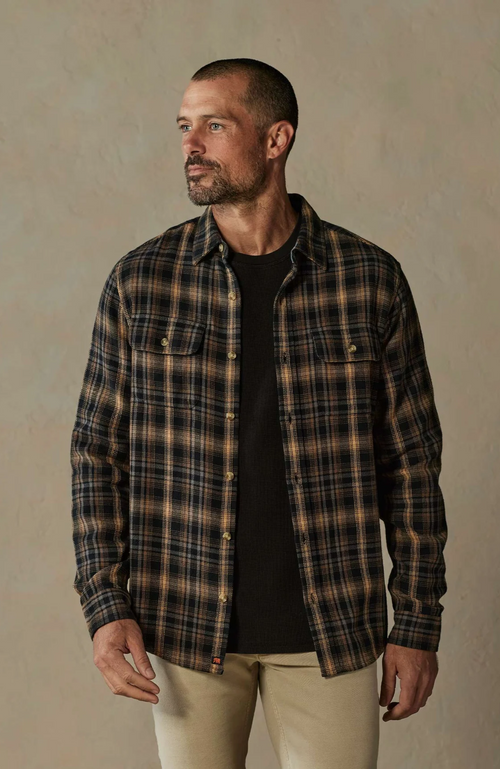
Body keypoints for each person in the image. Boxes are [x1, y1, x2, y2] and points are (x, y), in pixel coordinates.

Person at [70, 58, 448, 769]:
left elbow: (411, 464)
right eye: (184, 126)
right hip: (186, 627)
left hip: (331, 630)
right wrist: (105, 604)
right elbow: (97, 453)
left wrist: (418, 621)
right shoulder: (141, 281)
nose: (191, 145)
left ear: (277, 139)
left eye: (214, 125)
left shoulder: (369, 280)